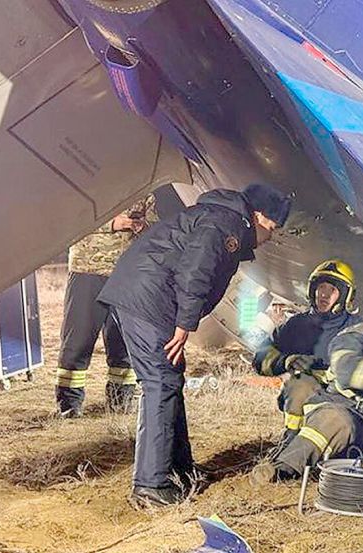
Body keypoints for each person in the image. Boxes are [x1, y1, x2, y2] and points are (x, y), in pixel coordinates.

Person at [97, 183, 291, 508]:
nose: (271, 237)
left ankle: (180, 473)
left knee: (169, 381)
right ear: (257, 216)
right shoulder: (225, 224)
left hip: (147, 296)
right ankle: (151, 486)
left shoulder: (220, 218)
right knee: (159, 384)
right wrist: (185, 324)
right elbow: (195, 271)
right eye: (272, 227)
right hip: (148, 300)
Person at [260, 284, 363, 481]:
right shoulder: (354, 337)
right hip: (341, 408)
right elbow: (346, 371)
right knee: (337, 420)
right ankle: (282, 469)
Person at [56, 195, 157, 417]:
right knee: (78, 339)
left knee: (122, 341)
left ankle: (121, 402)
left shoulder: (144, 187)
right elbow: (71, 218)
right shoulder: (91, 185)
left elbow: (154, 223)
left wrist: (143, 226)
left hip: (126, 273)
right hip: (87, 270)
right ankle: (69, 406)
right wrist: (113, 223)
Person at [252, 259, 361, 447]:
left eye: (332, 290)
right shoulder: (296, 325)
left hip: (347, 400)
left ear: (345, 296)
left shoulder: (359, 328)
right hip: (307, 396)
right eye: (321, 288)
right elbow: (261, 357)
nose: (324, 295)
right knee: (299, 386)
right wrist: (286, 361)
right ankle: (292, 440)